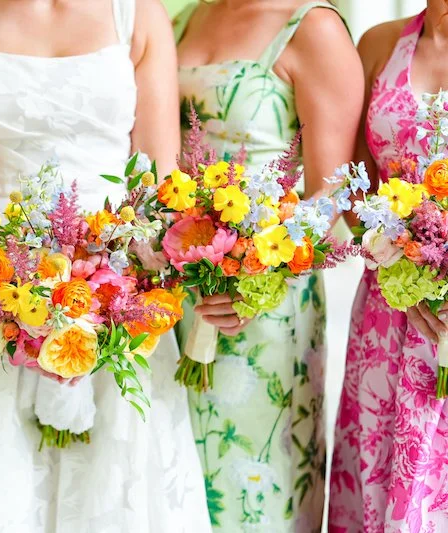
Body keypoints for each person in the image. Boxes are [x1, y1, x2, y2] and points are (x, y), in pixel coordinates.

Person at [0, 0, 211, 531]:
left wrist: (100, 304)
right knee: (2, 481)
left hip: (122, 300)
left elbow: (158, 188)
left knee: (115, 483)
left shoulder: (139, 15)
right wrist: (19, 316)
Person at [174, 1, 363, 530]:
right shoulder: (186, 17)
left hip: (264, 301)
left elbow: (332, 194)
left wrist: (251, 276)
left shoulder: (314, 27)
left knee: (255, 488)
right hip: (177, 286)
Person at [330, 3, 448, 531]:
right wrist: (402, 253)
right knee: (376, 481)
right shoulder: (379, 44)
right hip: (385, 311)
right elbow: (355, 190)